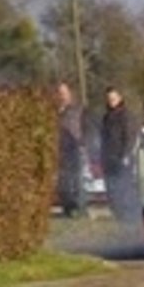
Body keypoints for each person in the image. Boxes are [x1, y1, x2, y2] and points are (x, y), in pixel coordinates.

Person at [100, 86, 140, 222]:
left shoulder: (126, 115)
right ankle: (117, 213)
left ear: (120, 98)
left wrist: (126, 155)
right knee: (111, 188)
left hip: (122, 157)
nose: (111, 101)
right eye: (109, 98)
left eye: (114, 98)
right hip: (108, 157)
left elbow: (130, 136)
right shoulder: (106, 117)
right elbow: (104, 138)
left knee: (124, 186)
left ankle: (129, 214)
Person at [55, 81, 85, 218]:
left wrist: (83, 144)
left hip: (74, 147)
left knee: (76, 179)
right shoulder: (54, 110)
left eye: (64, 92)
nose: (62, 95)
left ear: (70, 94)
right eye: (60, 93)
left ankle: (79, 208)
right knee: (63, 181)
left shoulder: (78, 109)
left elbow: (85, 127)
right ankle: (67, 208)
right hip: (60, 149)